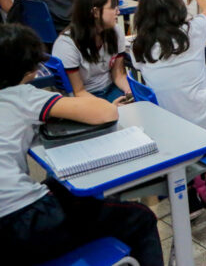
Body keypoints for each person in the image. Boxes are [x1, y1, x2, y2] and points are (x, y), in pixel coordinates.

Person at [0, 23, 163, 265]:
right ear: (28, 68)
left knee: (61, 186)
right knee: (142, 218)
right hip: (21, 222)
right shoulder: (21, 96)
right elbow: (105, 113)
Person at [131, 0, 206, 223]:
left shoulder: (139, 48)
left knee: (183, 139)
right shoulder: (193, 31)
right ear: (177, 8)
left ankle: (189, 197)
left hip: (175, 141)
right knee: (203, 127)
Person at [51, 0, 130, 103]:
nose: (118, 11)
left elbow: (118, 74)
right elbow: (78, 91)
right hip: (84, 97)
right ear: (95, 12)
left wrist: (129, 91)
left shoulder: (115, 31)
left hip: (111, 89)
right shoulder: (66, 44)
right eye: (113, 7)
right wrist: (108, 107)